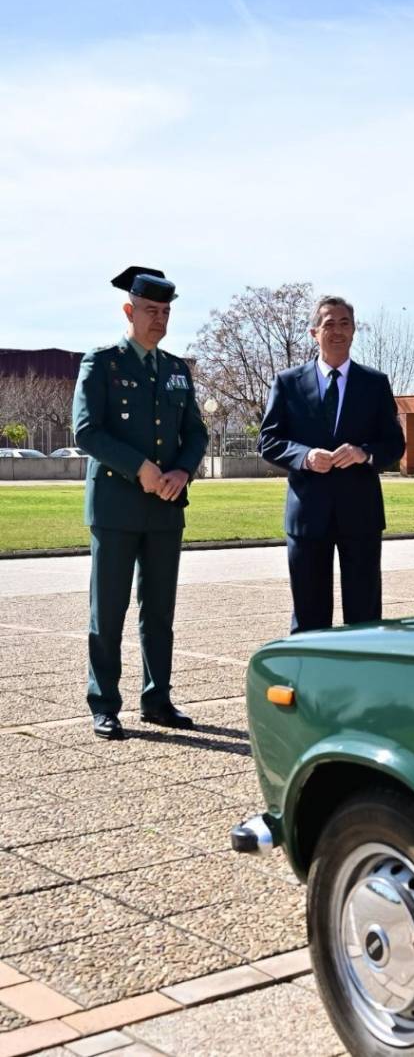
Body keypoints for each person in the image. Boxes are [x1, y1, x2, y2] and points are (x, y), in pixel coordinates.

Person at [72, 266, 208, 740]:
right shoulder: (103, 363)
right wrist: (142, 469)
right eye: (151, 311)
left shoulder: (175, 370)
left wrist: (181, 471)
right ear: (129, 311)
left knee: (159, 612)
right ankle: (104, 702)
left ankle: (158, 698)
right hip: (115, 507)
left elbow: (196, 431)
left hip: (165, 508)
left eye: (166, 312)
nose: (159, 320)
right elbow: (86, 430)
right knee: (108, 610)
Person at [259, 296, 406, 632]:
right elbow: (268, 441)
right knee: (309, 616)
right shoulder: (287, 382)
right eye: (329, 324)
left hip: (361, 515)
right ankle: (311, 681)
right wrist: (304, 457)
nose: (337, 330)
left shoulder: (375, 383)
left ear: (354, 330)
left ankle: (364, 681)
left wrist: (364, 453)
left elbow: (395, 443)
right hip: (308, 515)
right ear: (314, 332)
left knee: (365, 614)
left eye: (344, 323)